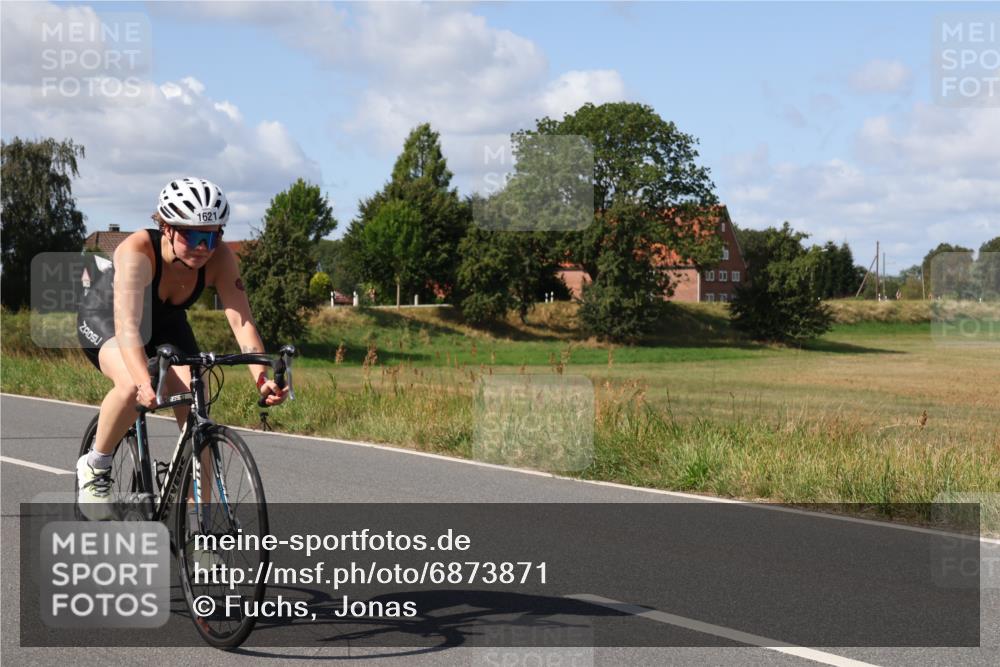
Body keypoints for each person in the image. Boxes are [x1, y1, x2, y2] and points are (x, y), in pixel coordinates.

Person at [76, 177, 287, 520]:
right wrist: (143, 382)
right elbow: (128, 327)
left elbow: (242, 323)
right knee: (130, 385)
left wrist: (261, 379)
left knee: (197, 407)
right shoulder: (138, 250)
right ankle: (96, 465)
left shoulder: (220, 258)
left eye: (212, 236)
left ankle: (198, 528)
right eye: (193, 236)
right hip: (108, 318)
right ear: (166, 227)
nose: (204, 247)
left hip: (166, 323)